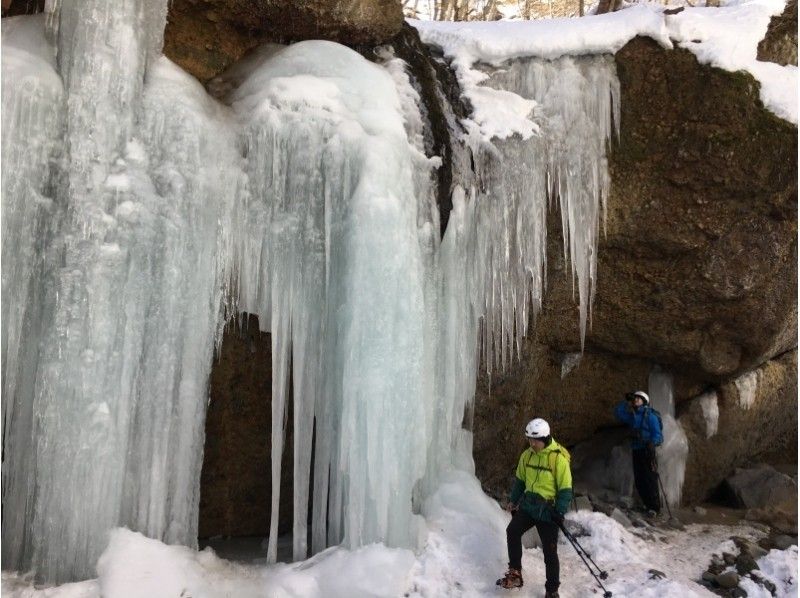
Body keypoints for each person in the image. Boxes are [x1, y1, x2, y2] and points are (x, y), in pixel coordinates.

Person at [496, 417, 573, 597]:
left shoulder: (558, 459)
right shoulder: (527, 455)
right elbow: (520, 481)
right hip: (529, 506)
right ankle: (515, 573)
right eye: (529, 439)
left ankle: (552, 590)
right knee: (512, 531)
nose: (531, 443)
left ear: (545, 438)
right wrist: (513, 500)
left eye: (535, 440)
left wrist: (560, 511)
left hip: (548, 511)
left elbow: (565, 488)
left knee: (550, 552)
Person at [614, 390, 663, 517]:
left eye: (639, 398)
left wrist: (653, 443)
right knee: (640, 479)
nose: (636, 400)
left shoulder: (650, 416)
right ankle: (647, 505)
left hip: (647, 450)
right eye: (635, 398)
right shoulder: (633, 416)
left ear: (644, 401)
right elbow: (618, 413)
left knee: (650, 479)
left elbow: (658, 434)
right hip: (637, 450)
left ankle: (655, 508)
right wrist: (626, 401)